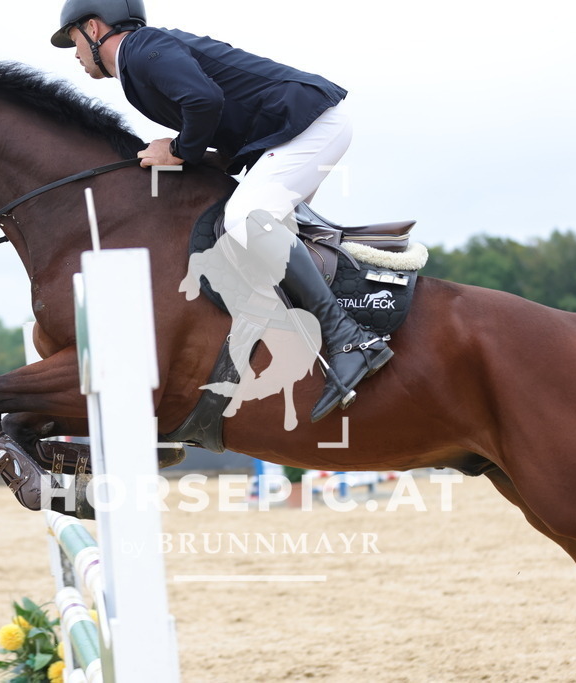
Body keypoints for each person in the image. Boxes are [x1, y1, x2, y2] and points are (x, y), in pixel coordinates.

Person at [51, 0, 393, 423]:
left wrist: (179, 150)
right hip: (291, 131)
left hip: (309, 127)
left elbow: (203, 99)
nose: (75, 55)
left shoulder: (139, 50)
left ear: (93, 28)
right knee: (261, 240)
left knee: (245, 219)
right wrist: (199, 156)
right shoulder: (138, 61)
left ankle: (349, 338)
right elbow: (221, 108)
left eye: (73, 41)